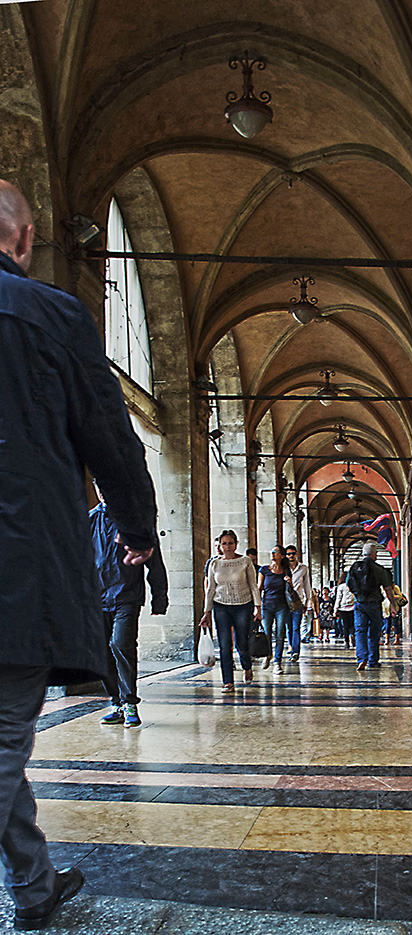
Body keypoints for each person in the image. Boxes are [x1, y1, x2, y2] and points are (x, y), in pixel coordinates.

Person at [0, 180, 158, 929]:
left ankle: (33, 883)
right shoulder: (49, 313)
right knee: (2, 736)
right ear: (25, 239)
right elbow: (111, 438)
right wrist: (139, 531)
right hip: (17, 568)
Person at [90, 490, 168, 728]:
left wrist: (159, 598)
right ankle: (117, 703)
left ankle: (130, 702)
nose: (104, 493)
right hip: (96, 598)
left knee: (121, 644)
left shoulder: (134, 521)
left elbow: (155, 560)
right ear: (95, 488)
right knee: (102, 653)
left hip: (127, 595)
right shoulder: (88, 520)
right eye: (100, 488)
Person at [200, 529, 261, 692]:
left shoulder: (245, 561)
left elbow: (253, 585)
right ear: (220, 545)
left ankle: (247, 667)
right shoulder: (214, 563)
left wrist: (258, 607)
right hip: (221, 606)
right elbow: (211, 589)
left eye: (230, 543)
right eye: (224, 543)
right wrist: (206, 612)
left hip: (243, 605)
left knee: (242, 642)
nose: (227, 547)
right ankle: (228, 681)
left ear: (236, 544)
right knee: (224, 644)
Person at [346, 542, 396, 671]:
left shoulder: (354, 568)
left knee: (360, 632)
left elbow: (348, 586)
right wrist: (394, 606)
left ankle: (361, 658)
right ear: (375, 555)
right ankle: (373, 661)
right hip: (374, 604)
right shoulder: (379, 569)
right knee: (374, 633)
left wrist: (359, 595)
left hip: (359, 604)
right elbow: (388, 590)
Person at [258, 545, 291, 674]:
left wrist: (289, 582)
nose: (272, 554)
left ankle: (277, 662)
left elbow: (290, 590)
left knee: (279, 634)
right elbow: (259, 588)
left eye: (275, 552)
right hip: (267, 606)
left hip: (282, 606)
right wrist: (257, 606)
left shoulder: (286, 570)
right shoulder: (264, 570)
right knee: (266, 633)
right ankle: (268, 654)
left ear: (282, 555)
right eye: (271, 551)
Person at [285, 544, 312, 663]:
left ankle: (295, 652)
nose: (291, 556)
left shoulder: (303, 568)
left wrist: (307, 603)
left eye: (293, 553)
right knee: (288, 628)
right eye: (288, 554)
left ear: (296, 554)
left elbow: (307, 586)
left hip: (298, 602)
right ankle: (291, 647)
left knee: (296, 628)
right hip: (284, 602)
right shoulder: (283, 568)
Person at [333, 573, 356, 648]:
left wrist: (335, 610)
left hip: (343, 608)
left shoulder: (341, 587)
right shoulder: (353, 585)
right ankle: (353, 636)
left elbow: (338, 598)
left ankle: (347, 642)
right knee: (352, 625)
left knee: (345, 626)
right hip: (353, 607)